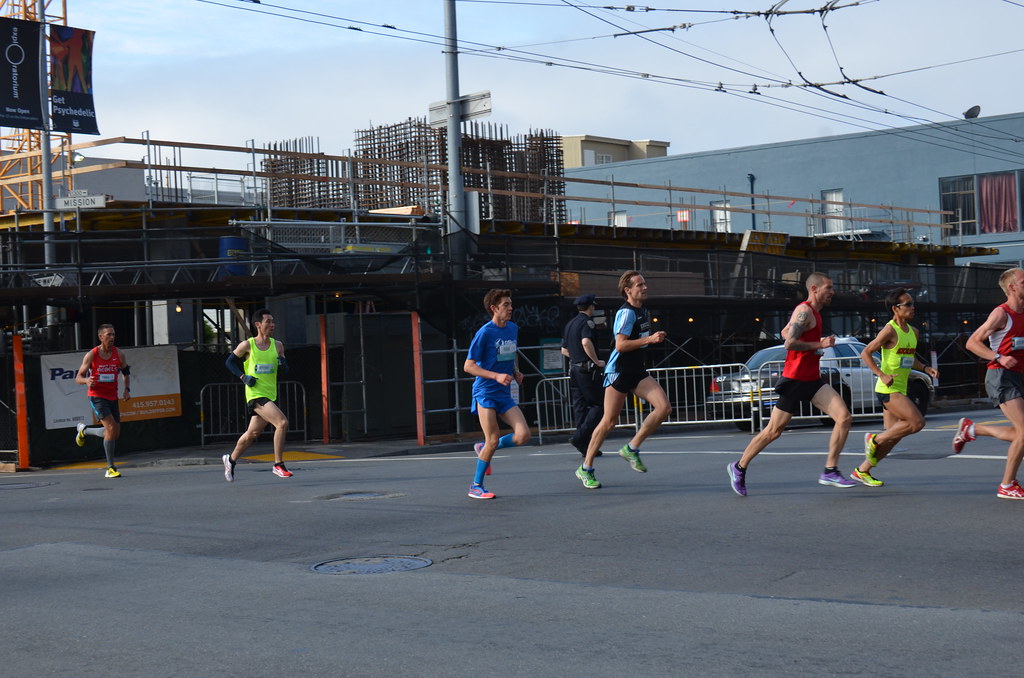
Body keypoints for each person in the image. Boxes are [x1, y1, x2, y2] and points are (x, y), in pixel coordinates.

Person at [726, 272, 855, 496]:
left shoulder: (811, 313)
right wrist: (819, 343)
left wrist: (808, 340)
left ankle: (830, 470)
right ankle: (739, 467)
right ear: (814, 289)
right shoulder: (805, 311)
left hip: (812, 379)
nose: (832, 292)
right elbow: (789, 343)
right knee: (773, 431)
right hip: (795, 379)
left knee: (843, 417)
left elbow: (787, 331)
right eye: (828, 288)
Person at [576, 270, 670, 489]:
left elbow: (638, 342)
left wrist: (651, 340)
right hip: (618, 372)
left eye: (645, 283)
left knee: (664, 407)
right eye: (640, 285)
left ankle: (632, 448)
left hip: (636, 371)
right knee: (609, 421)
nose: (645, 287)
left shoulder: (641, 311)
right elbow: (620, 345)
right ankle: (586, 468)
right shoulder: (626, 313)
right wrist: (650, 338)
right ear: (628, 291)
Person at [853, 289, 940, 486]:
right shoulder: (889, 330)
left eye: (912, 303)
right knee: (917, 423)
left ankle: (862, 470)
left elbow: (910, 359)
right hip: (888, 389)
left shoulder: (914, 332)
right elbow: (866, 353)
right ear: (895, 308)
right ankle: (873, 440)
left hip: (901, 387)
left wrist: (926, 368)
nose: (912, 307)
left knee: (893, 438)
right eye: (908, 304)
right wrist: (881, 375)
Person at [953, 267, 1024, 499]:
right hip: (1001, 376)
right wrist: (999, 357)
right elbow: (972, 342)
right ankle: (1007, 485)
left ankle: (973, 429)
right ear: (1012, 287)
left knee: (1021, 433)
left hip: (1020, 375)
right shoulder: (1001, 314)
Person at [464, 289, 531, 499]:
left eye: (511, 304)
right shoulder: (485, 333)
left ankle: (485, 448)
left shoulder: (512, 328)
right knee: (493, 438)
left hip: (503, 392)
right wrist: (495, 376)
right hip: (485, 392)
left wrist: (515, 371)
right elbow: (469, 366)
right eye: (505, 305)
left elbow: (508, 355)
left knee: (524, 435)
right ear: (494, 308)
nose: (511, 308)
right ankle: (475, 485)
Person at [221, 308, 291, 481]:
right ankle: (278, 464)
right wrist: (243, 377)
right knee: (282, 423)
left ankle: (230, 460)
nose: (272, 324)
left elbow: (284, 372)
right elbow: (229, 362)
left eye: (273, 321)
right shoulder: (248, 345)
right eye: (268, 321)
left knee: (252, 434)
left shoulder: (278, 345)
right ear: (258, 325)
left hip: (270, 394)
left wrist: (283, 364)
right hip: (255, 394)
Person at [74, 324, 131, 478]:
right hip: (97, 396)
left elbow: (125, 372)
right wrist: (86, 381)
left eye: (113, 334)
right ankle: (110, 468)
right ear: (101, 337)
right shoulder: (92, 355)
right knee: (111, 428)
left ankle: (84, 430)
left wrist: (126, 389)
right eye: (108, 335)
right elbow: (78, 377)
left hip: (113, 396)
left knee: (113, 433)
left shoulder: (118, 354)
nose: (112, 337)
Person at [561, 293, 606, 458]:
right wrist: (596, 361)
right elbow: (586, 342)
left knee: (579, 406)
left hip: (574, 369)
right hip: (587, 370)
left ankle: (584, 445)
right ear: (591, 307)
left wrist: (577, 357)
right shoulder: (588, 323)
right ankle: (580, 437)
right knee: (599, 405)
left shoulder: (570, 324)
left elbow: (564, 350)